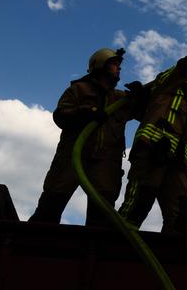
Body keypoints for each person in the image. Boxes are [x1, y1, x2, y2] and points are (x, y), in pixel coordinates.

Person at [118, 47, 187, 234]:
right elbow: (186, 64)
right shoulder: (162, 87)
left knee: (183, 211)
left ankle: (168, 258)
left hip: (176, 163)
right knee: (138, 205)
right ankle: (115, 249)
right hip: (152, 153)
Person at [29, 47, 145, 227]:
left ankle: (93, 253)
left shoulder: (120, 98)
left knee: (101, 219)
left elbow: (143, 114)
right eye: (114, 64)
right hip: (72, 157)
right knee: (50, 207)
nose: (119, 68)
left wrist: (141, 96)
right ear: (100, 65)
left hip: (106, 162)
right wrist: (86, 114)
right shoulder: (79, 89)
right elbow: (61, 115)